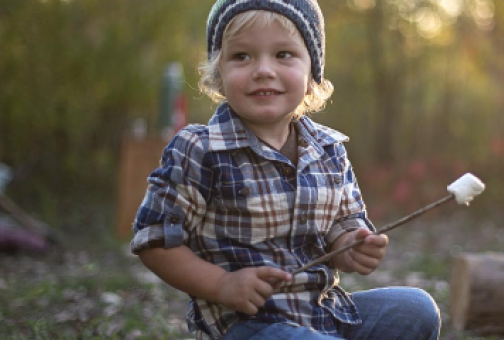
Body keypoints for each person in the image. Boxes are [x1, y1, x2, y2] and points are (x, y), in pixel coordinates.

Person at [130, 1, 441, 339]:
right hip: (247, 326)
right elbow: (154, 240)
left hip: (321, 313)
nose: (263, 69)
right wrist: (222, 284)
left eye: (283, 55)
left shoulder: (329, 149)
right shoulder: (200, 149)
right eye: (242, 56)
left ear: (312, 75)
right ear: (218, 74)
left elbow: (342, 224)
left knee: (416, 309)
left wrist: (351, 245)